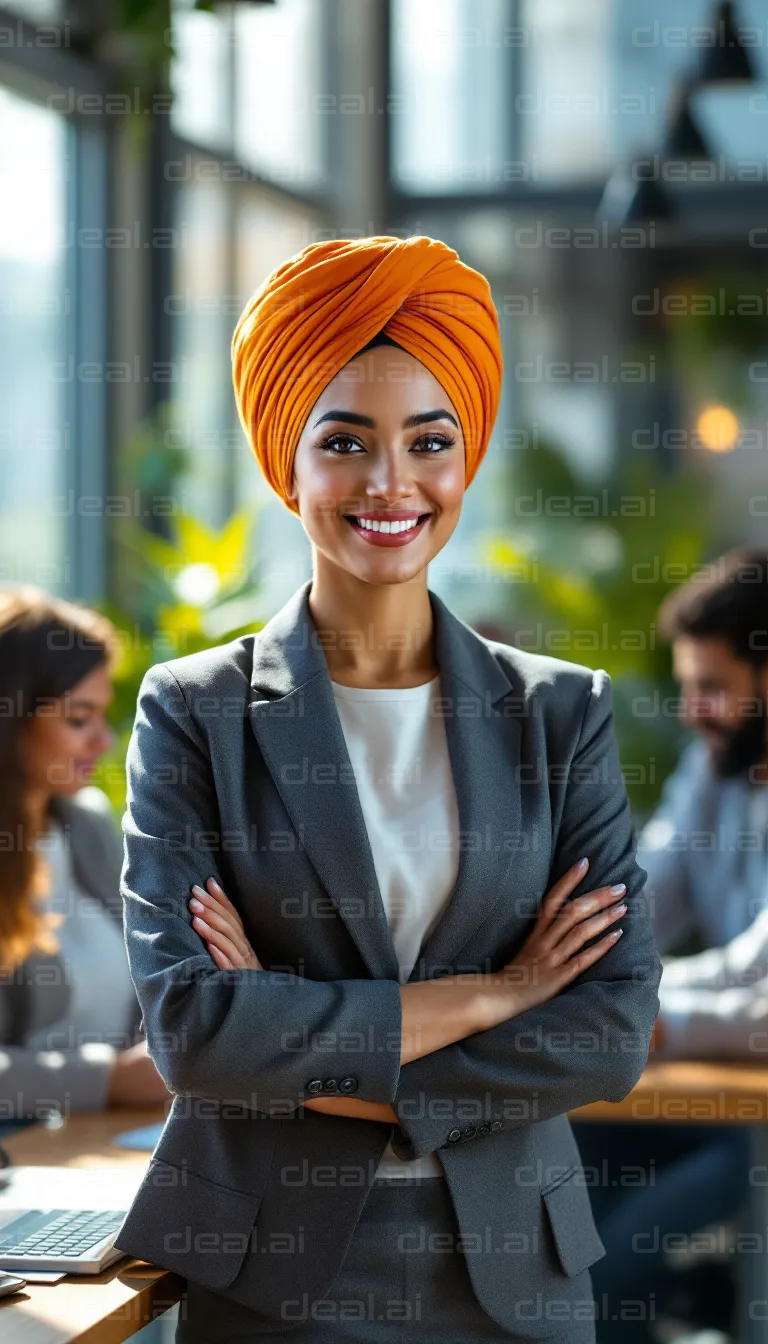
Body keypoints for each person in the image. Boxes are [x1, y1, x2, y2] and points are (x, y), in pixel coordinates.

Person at [114, 234, 661, 1343]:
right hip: (270, 1279)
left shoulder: (559, 713)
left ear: (467, 460)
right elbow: (195, 1031)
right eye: (345, 442)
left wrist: (305, 1048)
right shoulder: (192, 712)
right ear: (289, 463)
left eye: (430, 441)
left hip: (516, 1279)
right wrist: (500, 993)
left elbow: (607, 1027)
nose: (389, 484)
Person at [572, 549, 768, 1341]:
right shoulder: (716, 769)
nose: (692, 710)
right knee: (563, 1186)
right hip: (715, 1100)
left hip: (756, 1125)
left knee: (616, 1258)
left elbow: (759, 972)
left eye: (712, 688)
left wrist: (645, 1014)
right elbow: (636, 906)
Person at [0, 586, 169, 1119]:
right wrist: (110, 1080)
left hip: (103, 1142)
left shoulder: (89, 825)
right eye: (79, 719)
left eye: (102, 715)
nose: (102, 740)